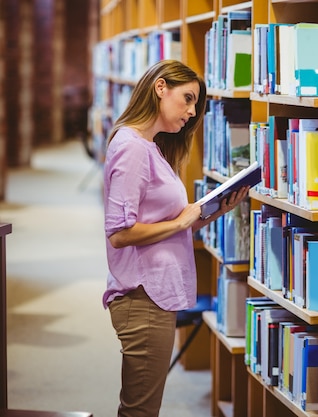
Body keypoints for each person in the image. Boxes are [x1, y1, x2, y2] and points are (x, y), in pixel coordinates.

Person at [101, 59, 249, 417]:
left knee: (142, 406)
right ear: (160, 87)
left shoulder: (151, 147)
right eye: (187, 98)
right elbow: (120, 233)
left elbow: (164, 226)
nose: (192, 111)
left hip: (154, 294)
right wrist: (186, 218)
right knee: (140, 410)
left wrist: (208, 212)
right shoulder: (133, 147)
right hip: (142, 297)